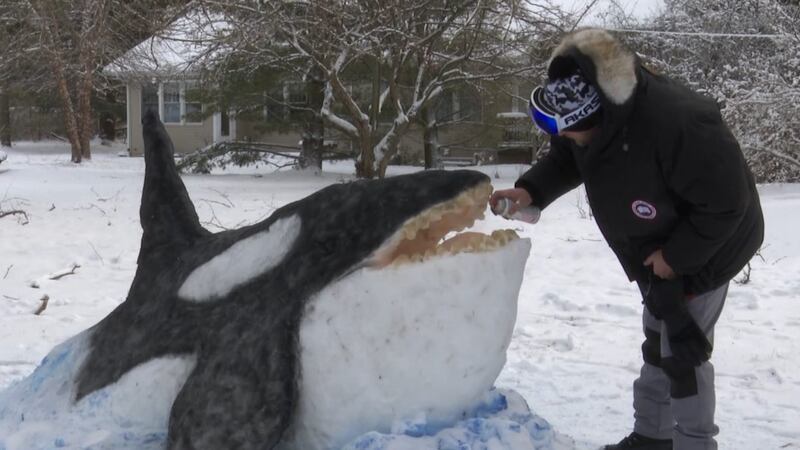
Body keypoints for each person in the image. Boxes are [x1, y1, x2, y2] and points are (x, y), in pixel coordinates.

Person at [491, 28, 764, 450]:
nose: (560, 137)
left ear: (596, 119)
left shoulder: (681, 123)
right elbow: (569, 154)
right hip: (656, 247)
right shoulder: (595, 117)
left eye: (567, 129)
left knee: (682, 351)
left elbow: (728, 204)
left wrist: (675, 257)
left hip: (710, 247)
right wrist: (531, 191)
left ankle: (694, 443)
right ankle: (653, 438)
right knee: (658, 340)